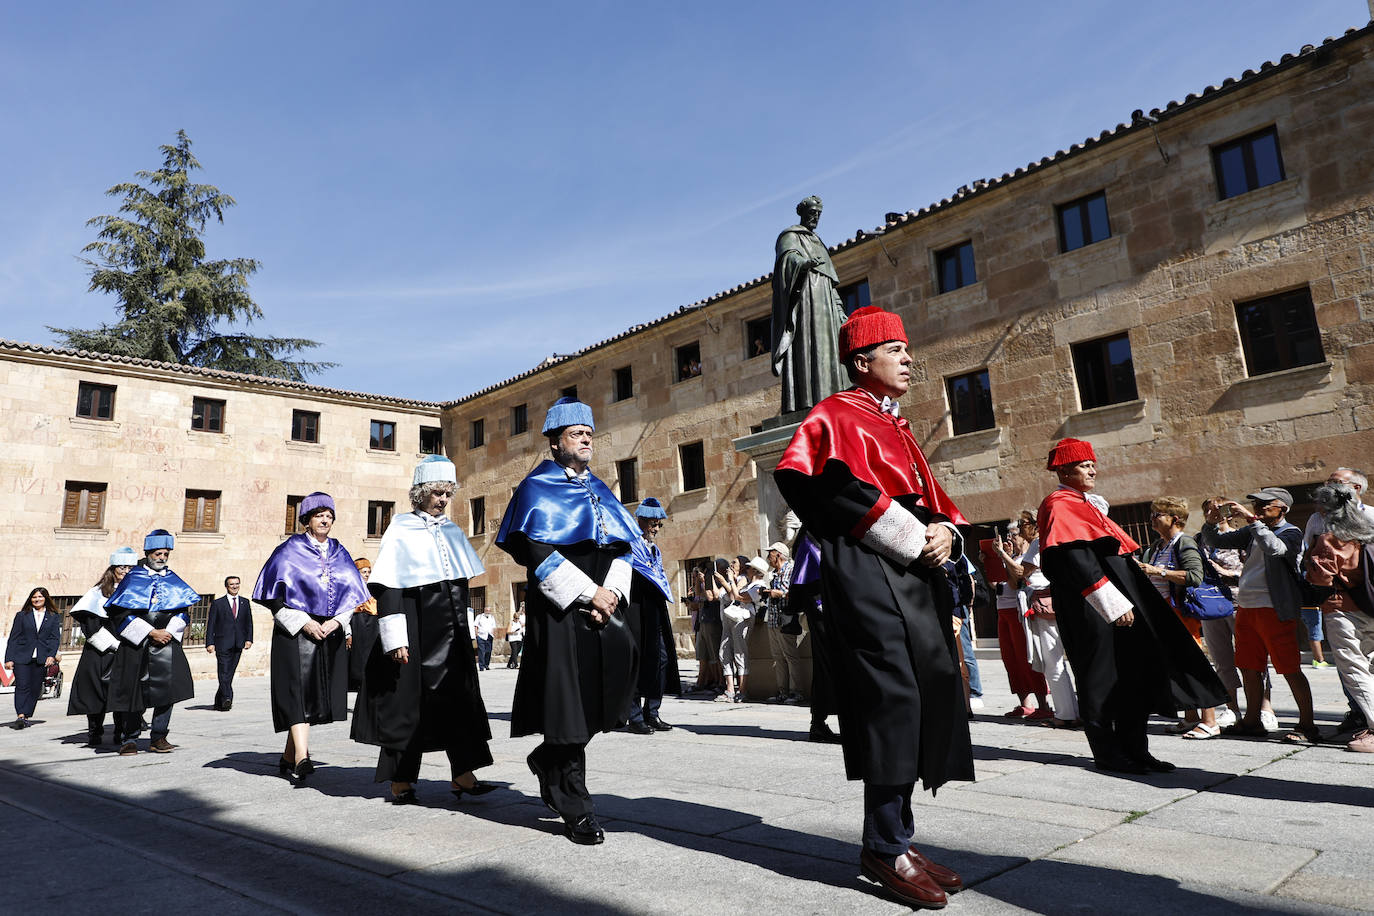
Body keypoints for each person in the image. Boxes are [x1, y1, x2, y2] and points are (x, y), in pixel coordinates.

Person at [775, 306, 971, 909]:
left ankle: (897, 840)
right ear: (863, 361)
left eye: (909, 350)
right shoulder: (836, 414)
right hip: (868, 571)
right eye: (897, 350)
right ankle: (885, 847)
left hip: (915, 574)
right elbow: (820, 485)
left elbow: (933, 503)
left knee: (926, 688)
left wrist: (948, 535)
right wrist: (916, 537)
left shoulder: (900, 426)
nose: (910, 359)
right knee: (893, 698)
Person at [495, 397, 640, 846]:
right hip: (561, 610)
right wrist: (586, 592)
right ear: (555, 442)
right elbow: (536, 552)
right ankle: (576, 805)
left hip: (603, 606)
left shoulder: (601, 487)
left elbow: (623, 546)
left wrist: (611, 593)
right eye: (577, 434)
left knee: (605, 694)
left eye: (589, 434)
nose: (586, 441)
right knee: (570, 707)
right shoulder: (535, 488)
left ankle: (547, 758)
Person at [1037, 439, 1225, 775]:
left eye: (1093, 463)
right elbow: (1075, 558)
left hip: (1115, 603)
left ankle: (1137, 751)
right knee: (1101, 678)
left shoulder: (1084, 503)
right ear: (1064, 469)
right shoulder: (1058, 502)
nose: (1092, 469)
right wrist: (1110, 602)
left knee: (1130, 675)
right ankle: (1109, 754)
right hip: (1091, 607)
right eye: (1084, 464)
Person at [353, 456, 495, 804]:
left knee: (459, 700)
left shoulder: (452, 530)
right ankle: (401, 779)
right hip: (415, 629)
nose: (443, 500)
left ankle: (463, 773)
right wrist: (395, 638)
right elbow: (389, 588)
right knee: (408, 704)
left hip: (451, 632)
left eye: (448, 493)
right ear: (419, 494)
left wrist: (467, 632)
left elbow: (460, 586)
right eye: (436, 493)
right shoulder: (400, 528)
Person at [253, 492, 370, 780]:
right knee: (297, 694)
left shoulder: (340, 552)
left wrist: (338, 622)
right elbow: (273, 598)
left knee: (314, 698)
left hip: (328, 632)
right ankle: (302, 759)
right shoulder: (288, 550)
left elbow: (352, 596)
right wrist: (304, 622)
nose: (326, 520)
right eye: (320, 515)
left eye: (329, 516)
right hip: (295, 633)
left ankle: (288, 754)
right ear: (306, 520)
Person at [1203, 487, 1319, 744]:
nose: (1259, 507)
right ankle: (1251, 721)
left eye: (1267, 504)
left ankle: (1308, 725)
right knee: (1248, 666)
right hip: (1246, 607)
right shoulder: (1253, 530)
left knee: (1289, 668)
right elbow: (1219, 541)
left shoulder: (1291, 532)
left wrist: (1253, 521)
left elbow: (1275, 548)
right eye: (1256, 503)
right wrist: (1211, 524)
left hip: (1274, 609)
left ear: (1283, 509)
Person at [104, 530, 199, 755]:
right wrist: (149, 632)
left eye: (166, 553)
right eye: (158, 553)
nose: (162, 557)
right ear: (148, 553)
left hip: (167, 643)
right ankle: (130, 739)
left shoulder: (173, 578)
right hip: (137, 645)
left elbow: (184, 611)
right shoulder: (132, 578)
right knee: (134, 691)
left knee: (168, 692)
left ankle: (159, 736)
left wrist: (168, 631)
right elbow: (118, 614)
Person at [1303, 482, 1374, 752]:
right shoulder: (1367, 533)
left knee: (1354, 669)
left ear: (1326, 508)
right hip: (1369, 606)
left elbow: (1319, 579)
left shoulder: (1331, 539)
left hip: (1342, 608)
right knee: (1368, 666)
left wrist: (1311, 562)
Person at [1137, 497, 1214, 737]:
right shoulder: (1157, 546)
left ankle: (1210, 721)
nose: (1152, 519)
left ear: (1175, 519)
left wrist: (1158, 571)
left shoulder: (1185, 543)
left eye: (1157, 514)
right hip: (1163, 616)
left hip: (1182, 615)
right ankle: (1191, 718)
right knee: (1177, 668)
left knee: (1194, 666)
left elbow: (1194, 576)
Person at [770, 195, 849, 414]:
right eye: (812, 213)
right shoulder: (790, 236)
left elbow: (831, 283)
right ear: (802, 213)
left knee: (829, 349)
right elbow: (786, 260)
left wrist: (840, 312)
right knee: (808, 347)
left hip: (825, 302)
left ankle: (831, 398)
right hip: (805, 301)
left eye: (818, 214)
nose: (815, 217)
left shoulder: (819, 243)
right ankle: (807, 399)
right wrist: (802, 263)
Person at [66, 548, 137, 744]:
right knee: (96, 693)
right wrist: (114, 645)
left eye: (130, 568)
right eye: (122, 567)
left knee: (123, 694)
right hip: (100, 653)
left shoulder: (136, 593)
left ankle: (120, 732)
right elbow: (90, 626)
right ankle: (95, 732)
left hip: (127, 651)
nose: (125, 571)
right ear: (113, 569)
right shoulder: (97, 593)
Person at [625, 497, 681, 734]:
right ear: (642, 521)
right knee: (635, 661)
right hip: (635, 609)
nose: (656, 529)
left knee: (661, 658)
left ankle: (653, 711)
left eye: (659, 525)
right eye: (653, 524)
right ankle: (635, 716)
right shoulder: (629, 545)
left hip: (655, 609)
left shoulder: (654, 549)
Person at [1017, 516, 1080, 729]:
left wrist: (1002, 555)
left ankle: (1065, 713)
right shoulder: (1071, 536)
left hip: (1046, 606)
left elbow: (1020, 573)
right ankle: (1081, 710)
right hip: (1072, 602)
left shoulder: (1040, 542)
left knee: (1053, 661)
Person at [990, 522, 1052, 720]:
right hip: (1003, 611)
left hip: (1019, 611)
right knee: (1010, 659)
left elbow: (1015, 582)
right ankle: (1025, 704)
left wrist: (1003, 556)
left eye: (1014, 534)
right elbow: (995, 584)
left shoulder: (1027, 559)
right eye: (1008, 534)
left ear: (1025, 536)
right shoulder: (1011, 557)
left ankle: (1043, 704)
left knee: (1027, 657)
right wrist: (992, 561)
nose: (1010, 538)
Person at [5, 587, 61, 728]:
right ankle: (21, 715)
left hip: (41, 658)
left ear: (45, 599)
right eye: (34, 597)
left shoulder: (53, 616)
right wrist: (9, 658)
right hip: (22, 657)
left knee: (35, 688)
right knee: (22, 686)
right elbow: (13, 638)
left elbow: (55, 638)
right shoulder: (22, 615)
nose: (37, 600)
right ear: (31, 599)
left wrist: (51, 655)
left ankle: (27, 713)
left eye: (40, 597)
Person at [761, 541, 804, 705]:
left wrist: (779, 593)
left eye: (770, 553)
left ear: (778, 554)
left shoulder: (791, 570)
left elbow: (795, 594)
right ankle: (783, 692)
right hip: (772, 620)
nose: (767, 556)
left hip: (786, 619)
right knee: (778, 658)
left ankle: (796, 692)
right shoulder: (774, 573)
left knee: (791, 657)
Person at [206, 575, 254, 711]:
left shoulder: (245, 602)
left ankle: (218, 702)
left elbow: (248, 622)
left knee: (229, 672)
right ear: (226, 586)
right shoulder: (218, 603)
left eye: (237, 584)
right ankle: (227, 697)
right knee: (223, 671)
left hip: (238, 643)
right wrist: (209, 643)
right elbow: (211, 624)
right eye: (232, 584)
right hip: (222, 643)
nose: (234, 586)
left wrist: (249, 639)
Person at [348, 558, 379, 691]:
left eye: (368, 572)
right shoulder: (352, 589)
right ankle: (356, 680)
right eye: (363, 572)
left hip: (372, 624)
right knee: (357, 654)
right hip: (357, 623)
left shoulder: (373, 589)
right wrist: (348, 633)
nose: (367, 574)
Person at [474, 606, 497, 671]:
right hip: (481, 636)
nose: (487, 611)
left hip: (489, 636)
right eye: (486, 610)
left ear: (490, 611)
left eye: (488, 610)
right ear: (484, 610)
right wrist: (476, 634)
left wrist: (494, 634)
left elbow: (494, 627)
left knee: (488, 651)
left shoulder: (492, 617)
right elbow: (475, 625)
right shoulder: (479, 616)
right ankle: (481, 666)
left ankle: (486, 665)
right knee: (481, 651)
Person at [506, 604, 525, 669]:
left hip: (519, 638)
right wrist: (513, 632)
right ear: (513, 618)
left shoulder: (519, 622)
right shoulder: (511, 622)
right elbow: (508, 631)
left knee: (516, 652)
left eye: (518, 618)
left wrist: (521, 608)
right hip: (512, 639)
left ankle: (509, 664)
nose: (517, 619)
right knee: (514, 651)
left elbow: (524, 624)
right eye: (516, 618)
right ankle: (516, 664)